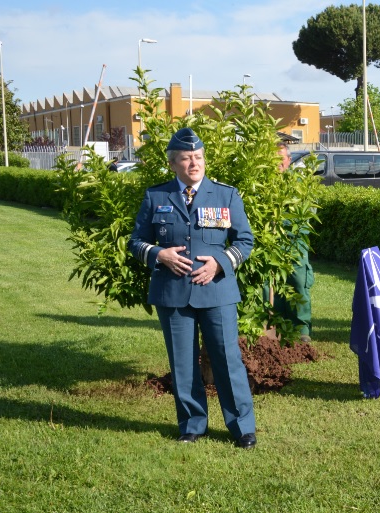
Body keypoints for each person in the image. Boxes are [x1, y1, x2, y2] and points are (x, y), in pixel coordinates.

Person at [128, 127, 257, 448]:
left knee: (227, 359)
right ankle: (192, 425)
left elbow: (245, 240)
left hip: (217, 291)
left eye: (198, 157)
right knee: (183, 362)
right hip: (172, 293)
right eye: (186, 159)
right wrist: (159, 254)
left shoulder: (226, 194)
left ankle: (242, 427)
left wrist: (220, 263)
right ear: (173, 164)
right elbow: (136, 242)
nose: (194, 163)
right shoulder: (156, 196)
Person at [268, 141, 315, 343]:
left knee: (297, 282)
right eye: (273, 159)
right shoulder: (263, 184)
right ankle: (277, 325)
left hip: (294, 241)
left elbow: (308, 212)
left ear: (288, 160)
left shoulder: (298, 183)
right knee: (269, 285)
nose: (278, 163)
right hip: (270, 243)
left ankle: (301, 328)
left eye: (281, 159)